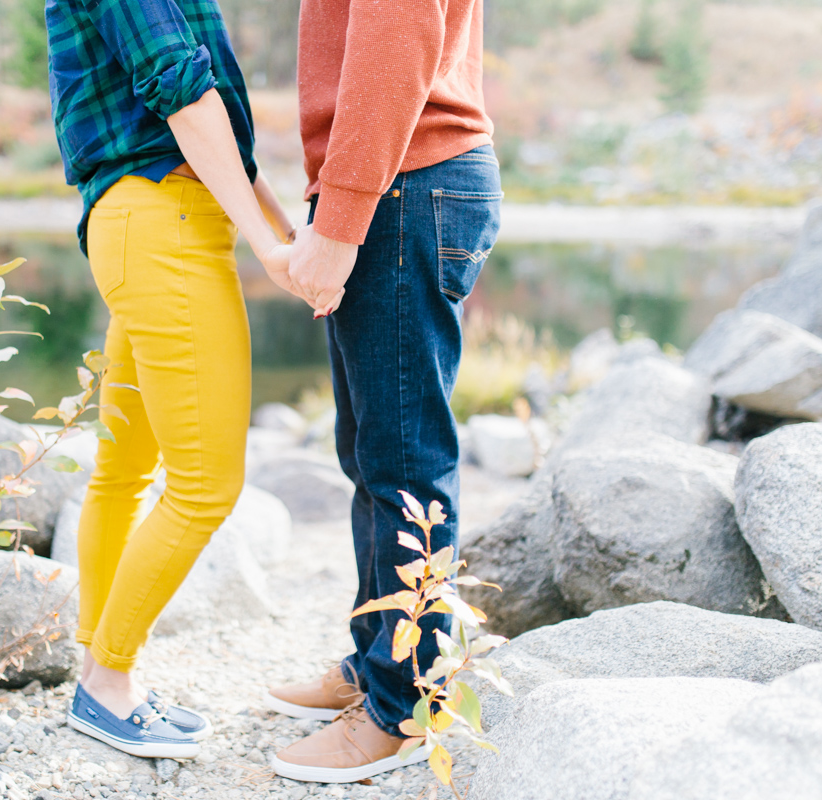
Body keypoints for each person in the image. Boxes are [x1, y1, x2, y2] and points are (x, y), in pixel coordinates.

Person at [46, 0, 308, 759]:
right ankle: (106, 684)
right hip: (167, 227)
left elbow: (220, 135)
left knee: (123, 472)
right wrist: (267, 242)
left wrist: (285, 235)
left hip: (145, 221)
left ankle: (98, 667)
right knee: (206, 485)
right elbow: (181, 90)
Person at [265, 0, 503, 784]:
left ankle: (405, 705)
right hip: (399, 183)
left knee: (403, 460)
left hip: (405, 183)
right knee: (372, 453)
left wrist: (339, 221)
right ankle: (379, 663)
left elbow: (396, 38)